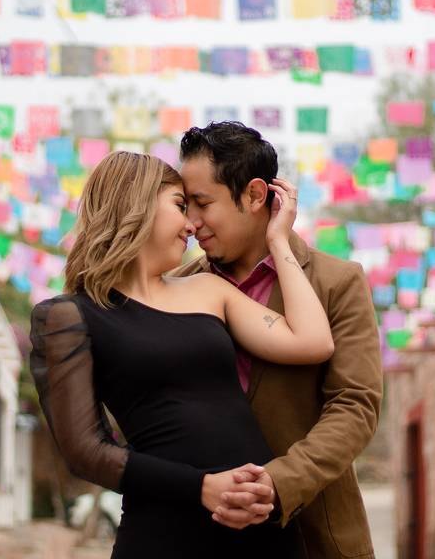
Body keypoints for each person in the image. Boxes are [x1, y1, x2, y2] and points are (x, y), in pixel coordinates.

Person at [29, 151, 334, 558]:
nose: (192, 224)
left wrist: (278, 240)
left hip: (261, 528)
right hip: (166, 530)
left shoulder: (209, 291)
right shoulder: (69, 316)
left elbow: (313, 341)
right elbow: (86, 452)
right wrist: (202, 488)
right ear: (135, 204)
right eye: (179, 206)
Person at [172, 121, 383, 559]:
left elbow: (355, 406)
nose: (191, 223)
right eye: (184, 205)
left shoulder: (337, 282)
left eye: (202, 203)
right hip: (200, 533)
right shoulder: (177, 287)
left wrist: (279, 482)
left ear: (254, 195)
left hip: (314, 538)